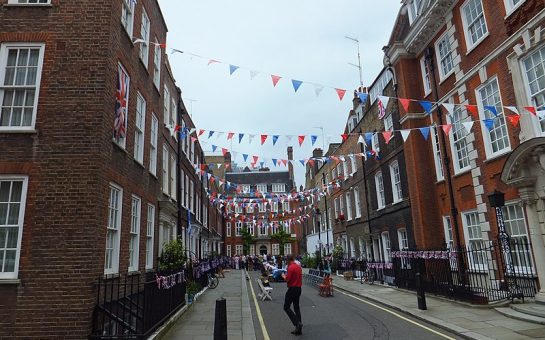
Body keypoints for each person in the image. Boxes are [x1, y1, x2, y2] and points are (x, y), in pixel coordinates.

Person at [281, 254, 303, 335]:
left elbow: (287, 279)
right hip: (298, 288)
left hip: (292, 289)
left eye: (286, 260)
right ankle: (299, 329)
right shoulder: (298, 267)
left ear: (288, 260)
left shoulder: (290, 268)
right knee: (296, 307)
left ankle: (297, 323)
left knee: (286, 307)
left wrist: (283, 276)